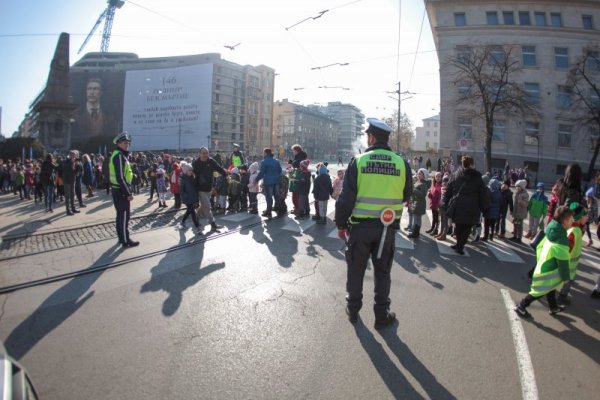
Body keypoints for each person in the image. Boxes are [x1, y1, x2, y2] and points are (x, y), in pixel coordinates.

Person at [335, 118, 412, 329]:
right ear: (387, 139)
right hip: (386, 230)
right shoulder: (401, 163)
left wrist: (341, 225)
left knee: (356, 269)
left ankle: (353, 309)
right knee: (383, 271)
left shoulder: (359, 161)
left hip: (360, 229)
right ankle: (381, 314)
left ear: (371, 137)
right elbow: (407, 195)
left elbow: (346, 198)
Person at [514, 205, 573, 318]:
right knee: (538, 291)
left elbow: (540, 246)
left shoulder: (552, 229)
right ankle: (521, 306)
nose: (572, 221)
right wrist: (566, 277)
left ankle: (553, 307)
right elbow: (563, 261)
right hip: (548, 270)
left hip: (545, 265)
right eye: (571, 219)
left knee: (550, 289)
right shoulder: (561, 239)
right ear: (565, 221)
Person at [441, 155, 489, 255]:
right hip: (472, 207)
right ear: (472, 164)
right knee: (467, 228)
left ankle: (458, 244)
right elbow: (482, 193)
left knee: (458, 226)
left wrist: (445, 201)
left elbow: (449, 188)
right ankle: (460, 246)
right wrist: (484, 207)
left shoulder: (456, 174)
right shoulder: (477, 177)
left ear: (462, 164)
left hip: (458, 205)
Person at [109, 132, 139, 248]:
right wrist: (128, 193)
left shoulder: (118, 154)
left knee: (120, 216)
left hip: (118, 190)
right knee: (124, 216)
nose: (127, 144)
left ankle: (122, 238)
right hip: (121, 191)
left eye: (128, 143)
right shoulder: (119, 156)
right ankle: (126, 240)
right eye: (124, 142)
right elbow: (120, 177)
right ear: (119, 143)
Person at [557, 202, 588, 306]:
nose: (587, 217)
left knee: (568, 281)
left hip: (570, 264)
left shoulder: (577, 228)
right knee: (567, 282)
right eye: (585, 215)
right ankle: (561, 297)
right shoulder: (574, 230)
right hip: (568, 264)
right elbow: (568, 247)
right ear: (579, 217)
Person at [192, 147, 226, 231]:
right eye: (203, 153)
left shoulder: (211, 161)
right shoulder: (195, 163)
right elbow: (190, 174)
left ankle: (196, 218)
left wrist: (226, 175)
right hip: (200, 188)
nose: (205, 155)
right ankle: (213, 224)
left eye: (206, 153)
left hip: (209, 188)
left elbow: (219, 168)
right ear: (199, 154)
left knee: (203, 205)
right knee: (207, 206)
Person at [256, 148, 283, 219]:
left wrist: (256, 180)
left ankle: (268, 211)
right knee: (277, 195)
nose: (263, 154)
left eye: (263, 152)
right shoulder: (276, 161)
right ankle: (279, 209)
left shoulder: (264, 162)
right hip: (276, 181)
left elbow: (261, 173)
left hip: (268, 181)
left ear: (265, 153)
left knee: (269, 197)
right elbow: (280, 171)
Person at [179, 162, 202, 234]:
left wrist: (196, 198)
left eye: (191, 170)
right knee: (193, 212)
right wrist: (186, 197)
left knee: (189, 211)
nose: (191, 172)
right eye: (189, 170)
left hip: (193, 197)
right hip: (187, 199)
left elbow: (195, 188)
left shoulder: (192, 178)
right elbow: (181, 191)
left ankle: (182, 222)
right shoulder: (182, 179)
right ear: (185, 171)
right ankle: (197, 226)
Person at [407, 168, 428, 239]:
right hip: (415, 203)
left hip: (419, 204)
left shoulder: (424, 184)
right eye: (418, 173)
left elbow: (422, 194)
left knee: (417, 219)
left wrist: (414, 190)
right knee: (416, 219)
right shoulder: (419, 181)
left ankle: (416, 233)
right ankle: (415, 232)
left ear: (424, 175)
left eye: (420, 174)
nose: (419, 175)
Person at [62, 150, 80, 215]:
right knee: (67, 196)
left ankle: (73, 208)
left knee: (73, 195)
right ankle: (68, 210)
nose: (74, 157)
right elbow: (64, 168)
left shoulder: (75, 162)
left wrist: (78, 165)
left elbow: (76, 172)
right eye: (73, 156)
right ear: (70, 155)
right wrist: (71, 162)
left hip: (73, 180)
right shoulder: (65, 161)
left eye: (75, 156)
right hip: (67, 180)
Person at [426, 171, 442, 236]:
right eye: (436, 176)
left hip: (437, 205)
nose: (437, 178)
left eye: (439, 177)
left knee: (437, 218)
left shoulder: (441, 186)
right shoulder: (434, 185)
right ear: (434, 177)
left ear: (441, 177)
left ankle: (436, 230)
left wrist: (438, 205)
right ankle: (432, 228)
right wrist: (429, 194)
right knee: (434, 217)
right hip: (433, 204)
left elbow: (440, 196)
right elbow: (431, 196)